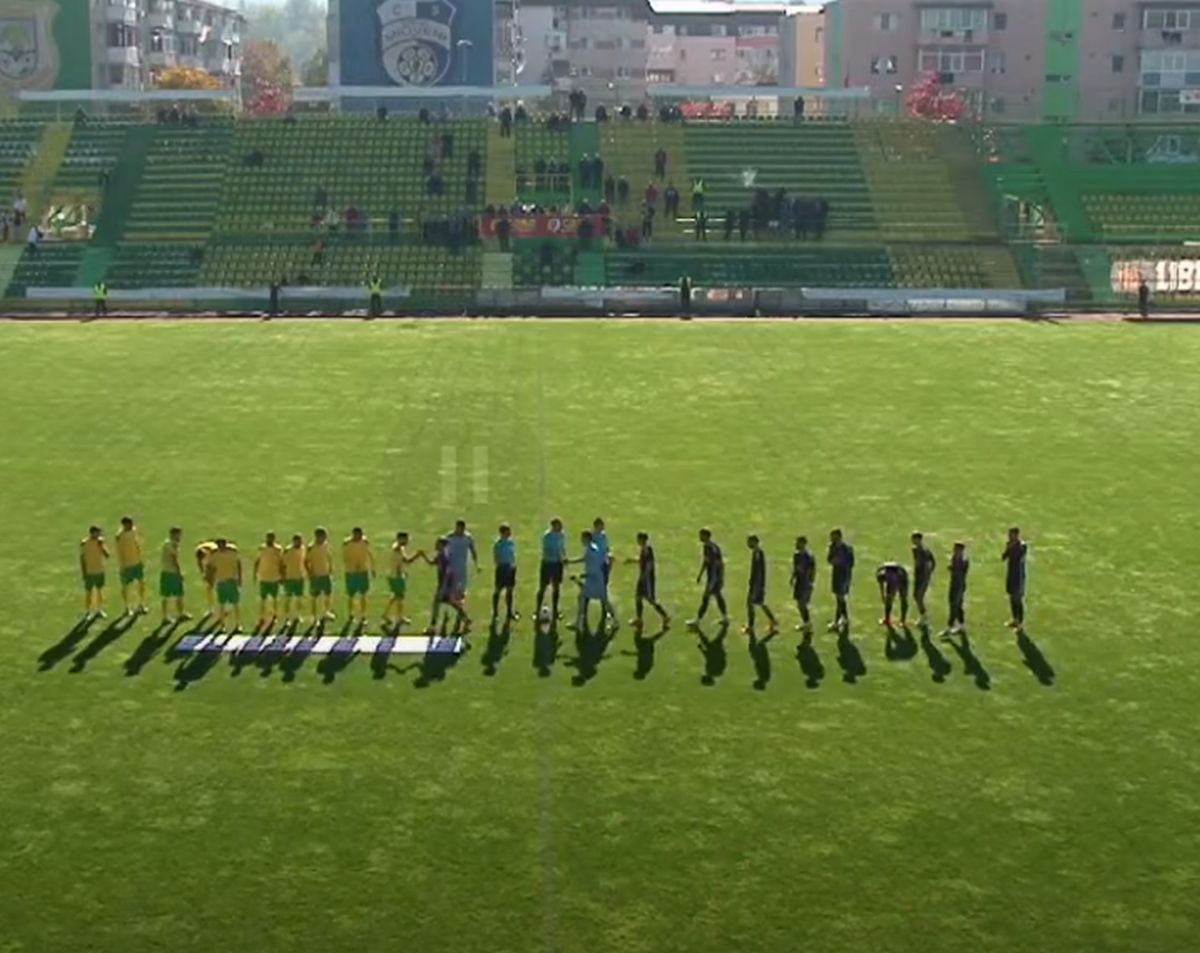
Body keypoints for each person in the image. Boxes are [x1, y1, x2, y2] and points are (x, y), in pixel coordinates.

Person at [569, 530, 614, 634]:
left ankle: (578, 623)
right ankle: (615, 621)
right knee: (601, 599)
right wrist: (571, 561)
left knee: (585, 598)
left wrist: (580, 576)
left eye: (582, 539)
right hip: (596, 579)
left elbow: (594, 568)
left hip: (594, 580)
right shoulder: (592, 548)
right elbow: (584, 559)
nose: (581, 541)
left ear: (586, 539)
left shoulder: (591, 551)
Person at [626, 532, 669, 629]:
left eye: (638, 539)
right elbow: (642, 561)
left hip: (647, 580)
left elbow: (650, 564)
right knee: (638, 597)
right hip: (643, 578)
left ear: (642, 540)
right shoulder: (644, 549)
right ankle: (639, 619)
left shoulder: (648, 549)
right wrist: (632, 561)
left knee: (651, 599)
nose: (637, 541)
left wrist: (644, 576)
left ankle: (665, 616)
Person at [425, 536, 466, 635]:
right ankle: (466, 619)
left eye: (437, 543)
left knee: (437, 604)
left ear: (442, 545)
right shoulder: (440, 555)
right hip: (445, 584)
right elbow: (431, 563)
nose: (435, 545)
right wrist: (422, 555)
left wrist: (443, 588)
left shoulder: (443, 556)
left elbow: (447, 573)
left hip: (446, 584)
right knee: (452, 603)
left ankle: (432, 627)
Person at [689, 528, 728, 626]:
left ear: (706, 536)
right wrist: (700, 575)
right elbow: (706, 562)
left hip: (714, 578)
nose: (700, 537)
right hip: (715, 577)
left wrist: (713, 581)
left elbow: (716, 564)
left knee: (705, 599)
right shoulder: (709, 547)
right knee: (718, 597)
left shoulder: (710, 548)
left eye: (701, 535)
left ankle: (697, 620)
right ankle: (725, 617)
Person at [384, 531, 420, 632]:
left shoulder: (398, 548)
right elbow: (406, 561)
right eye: (406, 539)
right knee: (399, 598)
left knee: (396, 597)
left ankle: (388, 615)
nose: (407, 541)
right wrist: (418, 555)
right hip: (396, 577)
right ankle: (398, 618)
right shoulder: (397, 550)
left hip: (394, 576)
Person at [743, 535, 778, 635]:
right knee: (761, 603)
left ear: (754, 542)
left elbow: (758, 571)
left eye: (749, 542)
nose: (748, 544)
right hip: (757, 584)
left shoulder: (758, 553)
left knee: (750, 604)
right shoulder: (757, 553)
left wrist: (755, 586)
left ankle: (751, 626)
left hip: (757, 585)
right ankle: (773, 621)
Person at [208, 538, 243, 634]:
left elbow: (238, 564)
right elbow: (210, 567)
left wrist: (239, 578)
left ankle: (238, 624)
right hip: (221, 581)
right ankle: (222, 626)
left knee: (236, 604)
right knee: (221, 605)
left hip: (231, 581)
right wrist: (210, 579)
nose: (220, 547)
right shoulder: (214, 554)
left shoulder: (232, 552)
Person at [446, 518, 479, 622]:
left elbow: (473, 550)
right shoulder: (449, 537)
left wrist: (476, 564)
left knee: (460, 594)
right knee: (450, 595)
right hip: (451, 570)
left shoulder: (468, 538)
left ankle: (460, 614)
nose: (460, 530)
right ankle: (462, 615)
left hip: (462, 569)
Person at [115, 516, 147, 617]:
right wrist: (122, 566)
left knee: (141, 584)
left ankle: (141, 605)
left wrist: (140, 558)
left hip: (137, 563)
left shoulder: (134, 531)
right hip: (126, 565)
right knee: (125, 587)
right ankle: (127, 607)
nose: (132, 525)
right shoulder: (120, 536)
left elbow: (137, 545)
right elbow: (119, 552)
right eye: (129, 524)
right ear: (124, 525)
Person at [536, 517, 567, 622]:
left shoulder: (562, 535)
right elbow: (547, 550)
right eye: (559, 525)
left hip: (557, 565)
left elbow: (562, 548)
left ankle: (555, 610)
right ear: (554, 526)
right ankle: (537, 610)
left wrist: (564, 557)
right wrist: (559, 556)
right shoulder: (547, 536)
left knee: (556, 587)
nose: (561, 527)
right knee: (543, 587)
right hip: (548, 563)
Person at [342, 527, 375, 625]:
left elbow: (369, 554)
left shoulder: (365, 542)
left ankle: (363, 616)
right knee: (351, 595)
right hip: (351, 572)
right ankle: (350, 615)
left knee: (363, 595)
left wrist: (372, 568)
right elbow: (345, 558)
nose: (359, 537)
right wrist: (353, 565)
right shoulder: (347, 544)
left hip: (363, 572)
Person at [156, 527, 188, 624]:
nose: (180, 537)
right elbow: (174, 560)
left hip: (167, 571)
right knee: (171, 595)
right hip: (171, 573)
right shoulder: (171, 545)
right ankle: (168, 616)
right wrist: (179, 572)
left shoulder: (169, 544)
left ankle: (179, 614)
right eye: (178, 535)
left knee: (176, 594)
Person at [253, 531, 285, 627]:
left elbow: (281, 563)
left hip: (274, 577)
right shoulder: (262, 549)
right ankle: (262, 617)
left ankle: (274, 616)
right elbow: (257, 561)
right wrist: (255, 574)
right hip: (264, 577)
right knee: (263, 599)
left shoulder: (278, 550)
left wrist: (282, 576)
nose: (269, 540)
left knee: (274, 599)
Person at [827, 528, 855, 633]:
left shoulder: (847, 549)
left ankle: (837, 621)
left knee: (840, 598)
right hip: (836, 575)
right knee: (839, 598)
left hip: (844, 576)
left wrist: (840, 562)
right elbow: (829, 560)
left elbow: (851, 563)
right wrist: (834, 560)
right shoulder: (832, 547)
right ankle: (845, 618)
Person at [79, 525, 109, 619]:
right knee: (89, 592)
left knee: (99, 591)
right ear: (92, 533)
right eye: (98, 532)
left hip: (99, 570)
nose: (99, 534)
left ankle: (99, 610)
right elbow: (82, 559)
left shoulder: (100, 542)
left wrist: (102, 546)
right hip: (89, 572)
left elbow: (107, 555)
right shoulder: (84, 543)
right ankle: (88, 611)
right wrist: (84, 572)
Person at [306, 527, 335, 622]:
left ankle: (326, 612)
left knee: (328, 594)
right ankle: (314, 616)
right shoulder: (311, 548)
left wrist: (330, 568)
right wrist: (310, 573)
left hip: (326, 574)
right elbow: (306, 561)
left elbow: (329, 557)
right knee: (314, 596)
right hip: (316, 575)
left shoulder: (326, 545)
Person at [1002, 527, 1028, 631]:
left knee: (1017, 599)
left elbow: (1019, 557)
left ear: (1016, 535)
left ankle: (1020, 623)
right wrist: (1008, 548)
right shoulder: (1010, 545)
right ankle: (1014, 620)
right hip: (1011, 574)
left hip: (1018, 576)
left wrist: (1012, 547)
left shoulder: (1022, 546)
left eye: (1011, 535)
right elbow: (1004, 557)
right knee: (1012, 598)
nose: (1009, 537)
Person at [491, 523, 518, 623]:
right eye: (508, 531)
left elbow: (512, 555)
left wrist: (513, 566)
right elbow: (496, 558)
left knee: (510, 591)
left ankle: (509, 612)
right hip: (502, 568)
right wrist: (502, 566)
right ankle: (495, 613)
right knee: (498, 590)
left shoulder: (511, 542)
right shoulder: (498, 544)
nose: (510, 533)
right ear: (503, 533)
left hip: (511, 568)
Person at [790, 536, 816, 635]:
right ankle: (805, 623)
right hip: (799, 582)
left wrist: (810, 582)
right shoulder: (796, 556)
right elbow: (795, 568)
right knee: (799, 604)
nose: (796, 544)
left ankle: (808, 624)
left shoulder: (809, 557)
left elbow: (812, 571)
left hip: (805, 583)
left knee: (802, 604)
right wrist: (792, 578)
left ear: (803, 544)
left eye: (798, 543)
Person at [911, 532, 936, 627]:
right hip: (918, 575)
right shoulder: (914, 549)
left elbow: (932, 562)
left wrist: (928, 573)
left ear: (919, 539)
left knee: (918, 596)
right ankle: (922, 615)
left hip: (923, 576)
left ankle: (923, 616)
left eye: (914, 539)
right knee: (915, 596)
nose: (913, 541)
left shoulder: (924, 551)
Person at [944, 542, 970, 636]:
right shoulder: (955, 557)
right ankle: (962, 626)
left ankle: (949, 627)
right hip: (954, 584)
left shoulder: (963, 560)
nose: (954, 551)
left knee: (953, 606)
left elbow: (960, 572)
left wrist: (952, 569)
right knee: (958, 606)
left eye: (956, 549)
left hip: (958, 585)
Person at [281, 534, 307, 625]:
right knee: (288, 598)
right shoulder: (288, 551)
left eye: (300, 541)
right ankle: (287, 618)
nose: (299, 543)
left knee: (299, 598)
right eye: (297, 541)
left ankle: (297, 616)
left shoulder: (303, 549)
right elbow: (283, 565)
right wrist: (283, 577)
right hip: (289, 578)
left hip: (299, 577)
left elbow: (304, 562)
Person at [875, 561, 910, 628]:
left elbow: (891, 587)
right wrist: (883, 596)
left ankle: (903, 620)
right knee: (889, 599)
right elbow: (881, 585)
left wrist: (888, 596)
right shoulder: (881, 574)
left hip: (902, 577)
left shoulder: (894, 576)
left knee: (903, 598)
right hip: (896, 574)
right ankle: (887, 619)